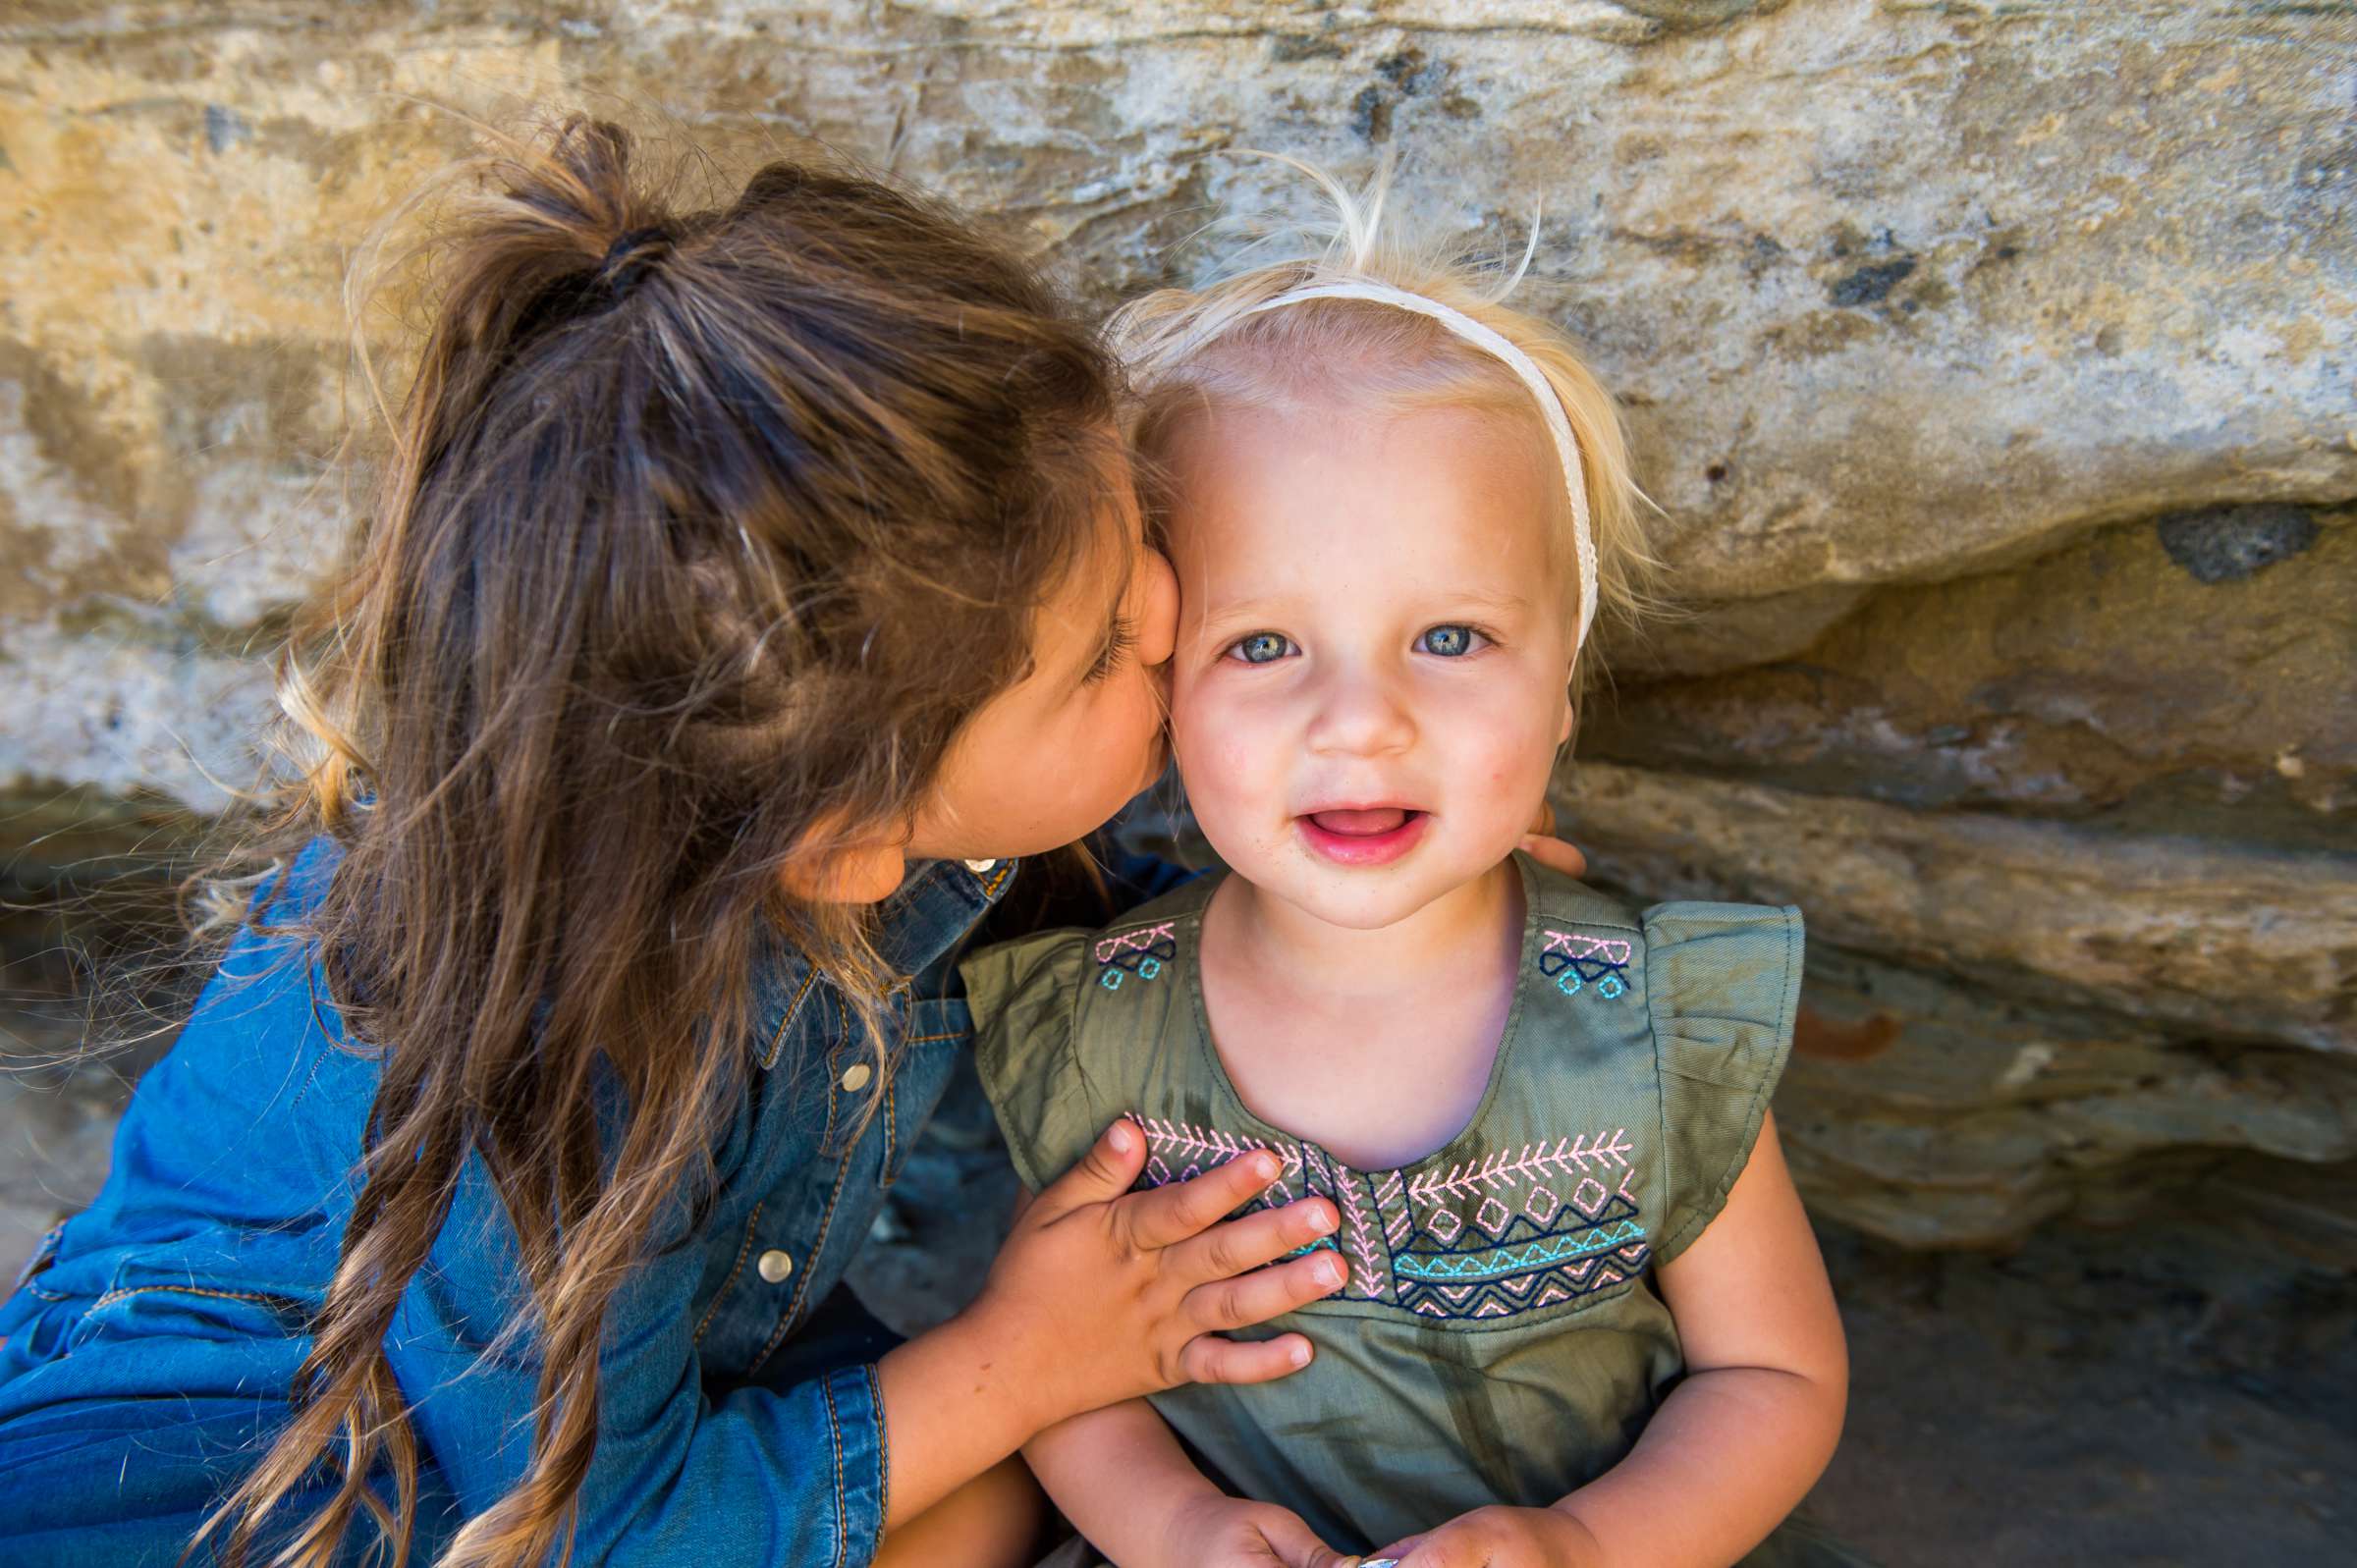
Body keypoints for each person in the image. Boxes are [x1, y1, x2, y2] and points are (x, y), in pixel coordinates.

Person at [0, 120, 1383, 1568]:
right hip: (232, 1500)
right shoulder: (544, 1073)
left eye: (1138, 544)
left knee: (975, 1496)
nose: (1170, 612)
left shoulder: (758, 817)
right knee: (971, 1459)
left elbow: (1088, 937)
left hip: (602, 1399)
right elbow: (610, 1529)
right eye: (1103, 651)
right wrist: (1025, 1357)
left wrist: (1362, 896)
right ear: (839, 843)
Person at [965, 166, 1858, 1568]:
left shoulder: (1645, 1022)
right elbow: (1047, 1363)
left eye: (1449, 636)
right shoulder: (1105, 1026)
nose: (1361, 719)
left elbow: (1776, 1377)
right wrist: (1180, 1526)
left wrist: (1584, 1547)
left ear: (1563, 684)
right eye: (1262, 645)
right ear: (1157, 687)